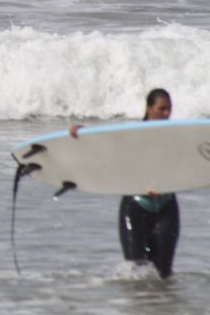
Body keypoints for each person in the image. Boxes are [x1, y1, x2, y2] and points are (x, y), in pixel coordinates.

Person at [69, 88, 179, 278]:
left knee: (164, 275)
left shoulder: (177, 135)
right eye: (162, 109)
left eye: (169, 109)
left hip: (167, 206)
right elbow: (107, 142)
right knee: (136, 273)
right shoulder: (133, 134)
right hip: (136, 207)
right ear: (149, 108)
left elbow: (191, 162)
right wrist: (83, 132)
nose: (166, 113)